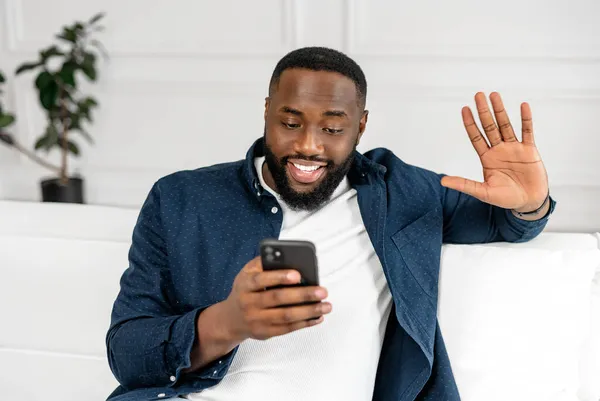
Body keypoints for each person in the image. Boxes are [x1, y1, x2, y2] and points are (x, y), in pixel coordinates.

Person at [105, 46, 555, 401]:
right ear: (266, 111)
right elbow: (127, 353)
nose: (308, 145)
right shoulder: (181, 198)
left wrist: (529, 204)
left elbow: (507, 223)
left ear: (361, 128)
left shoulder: (405, 194)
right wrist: (228, 321)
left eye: (333, 129)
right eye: (290, 121)